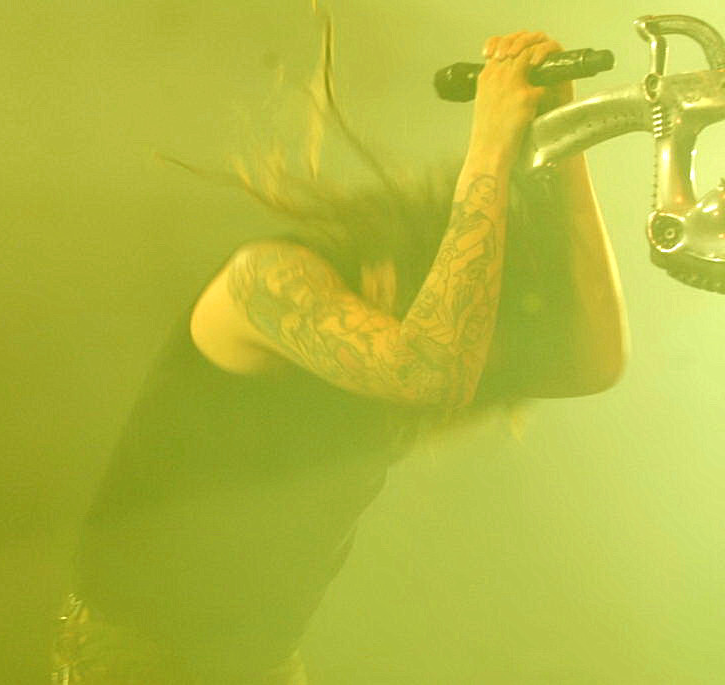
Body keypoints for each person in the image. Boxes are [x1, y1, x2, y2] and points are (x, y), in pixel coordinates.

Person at [53, 26, 628, 685]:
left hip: (260, 663)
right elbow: (428, 367)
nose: (467, 335)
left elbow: (594, 361)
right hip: (140, 656)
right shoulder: (266, 279)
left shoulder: (442, 338)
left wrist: (564, 139)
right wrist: (491, 144)